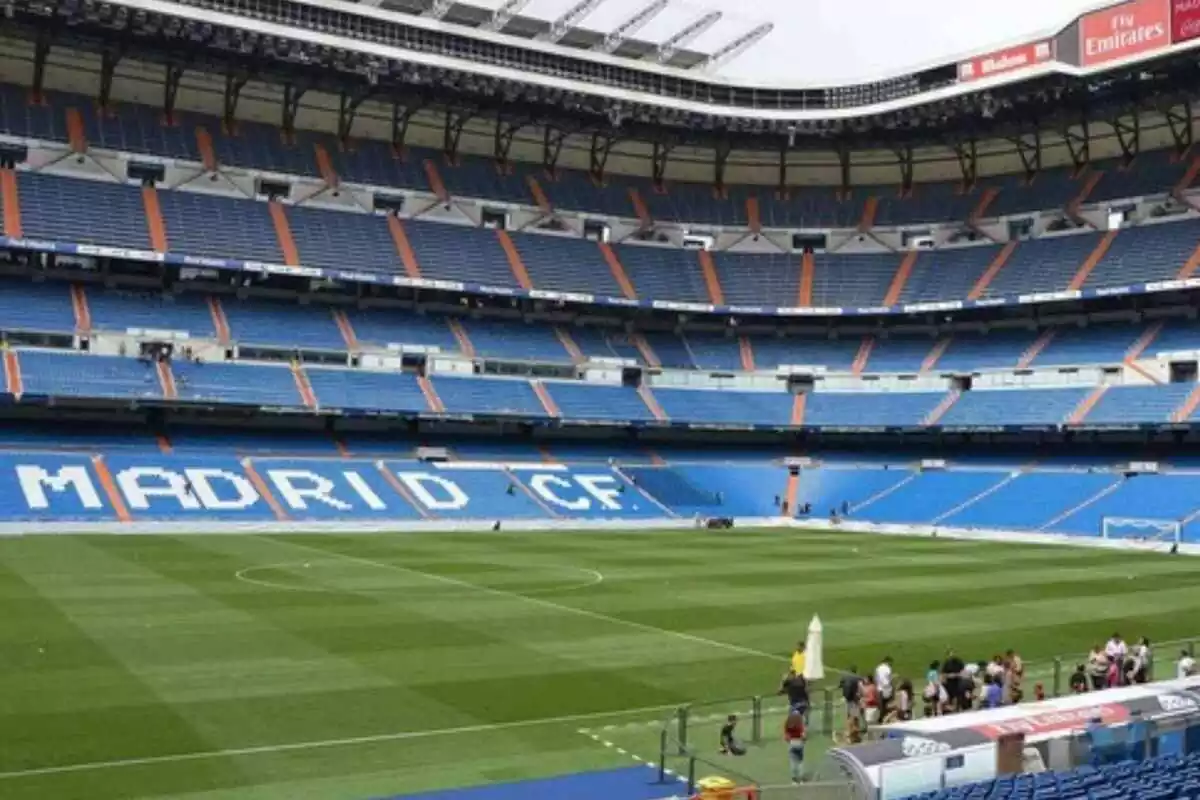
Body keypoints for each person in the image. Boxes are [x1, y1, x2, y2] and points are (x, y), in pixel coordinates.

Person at [784, 708, 806, 783]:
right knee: (800, 762)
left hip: (792, 743)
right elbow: (803, 735)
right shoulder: (800, 722)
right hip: (799, 742)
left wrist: (789, 741)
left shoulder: (788, 723)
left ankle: (794, 780)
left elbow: (786, 737)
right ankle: (801, 779)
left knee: (793, 762)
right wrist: (803, 741)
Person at [840, 666, 863, 737]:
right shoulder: (857, 678)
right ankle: (855, 731)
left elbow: (840, 685)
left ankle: (848, 730)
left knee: (849, 715)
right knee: (855, 716)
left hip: (847, 699)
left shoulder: (845, 677)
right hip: (854, 699)